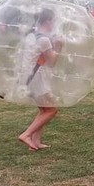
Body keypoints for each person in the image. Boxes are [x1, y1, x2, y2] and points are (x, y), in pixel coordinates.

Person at [18, 8, 63, 151]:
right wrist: (59, 47)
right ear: (48, 21)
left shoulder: (31, 36)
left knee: (44, 110)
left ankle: (35, 143)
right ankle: (26, 135)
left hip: (28, 77)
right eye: (53, 22)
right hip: (38, 78)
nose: (54, 25)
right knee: (51, 110)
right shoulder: (43, 40)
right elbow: (52, 61)